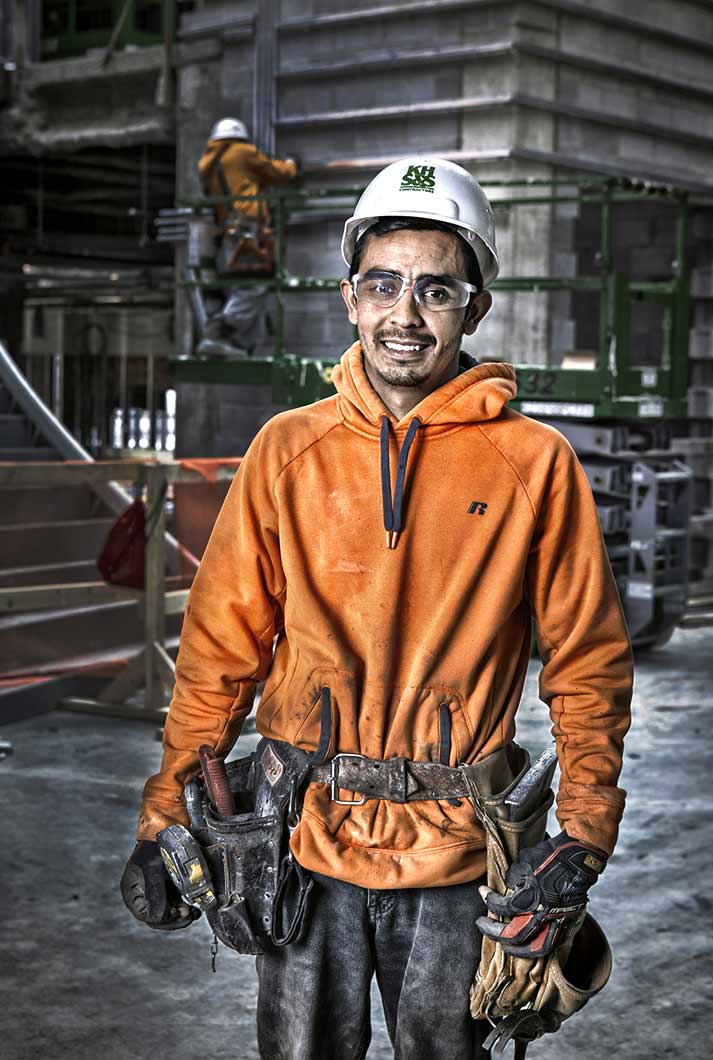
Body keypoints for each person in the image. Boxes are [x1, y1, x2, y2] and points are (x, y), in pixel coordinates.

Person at [121, 157, 634, 1060]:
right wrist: (166, 808)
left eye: (435, 291)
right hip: (302, 840)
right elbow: (218, 654)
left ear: (472, 310)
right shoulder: (288, 451)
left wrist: (584, 832)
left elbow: (585, 662)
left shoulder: (534, 464)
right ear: (350, 299)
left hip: (459, 856)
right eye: (383, 285)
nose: (405, 315)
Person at [196, 117, 297, 356]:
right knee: (254, 284)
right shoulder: (242, 153)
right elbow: (274, 171)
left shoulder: (210, 163)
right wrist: (292, 166)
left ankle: (237, 343)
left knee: (240, 284)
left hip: (228, 232)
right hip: (248, 228)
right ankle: (221, 330)